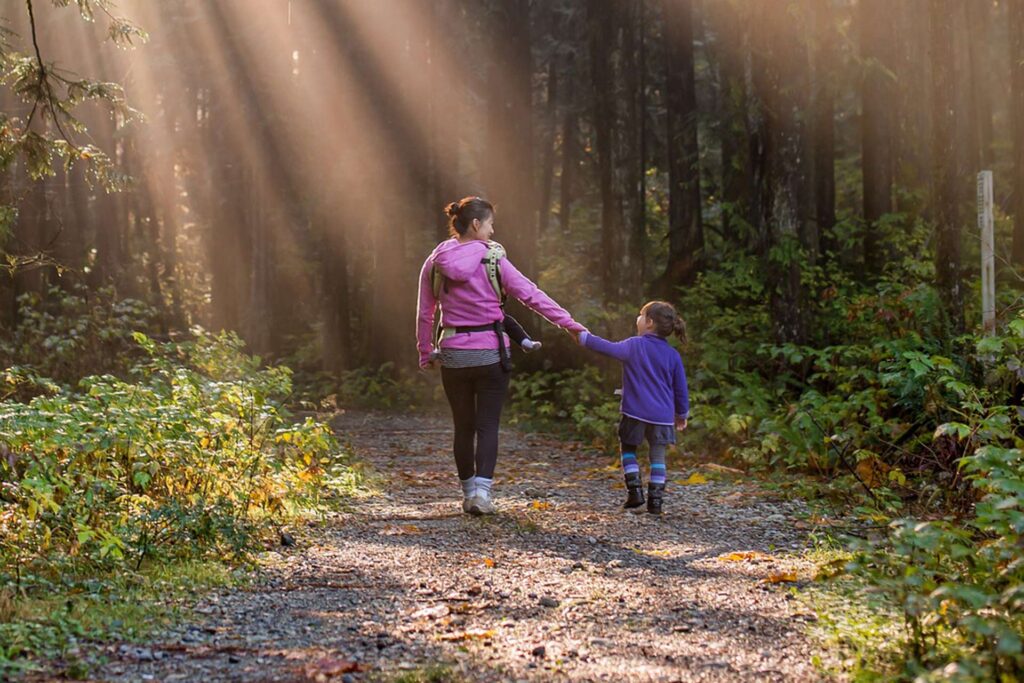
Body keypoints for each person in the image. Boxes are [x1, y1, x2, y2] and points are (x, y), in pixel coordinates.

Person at [417, 196, 586, 515]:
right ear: (477, 224)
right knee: (487, 426)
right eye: (491, 224)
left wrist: (426, 351)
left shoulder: (436, 260)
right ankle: (482, 494)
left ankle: (468, 495)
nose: (493, 231)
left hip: (453, 354)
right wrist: (570, 325)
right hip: (491, 355)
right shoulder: (493, 259)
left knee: (463, 426)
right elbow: (532, 296)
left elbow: (425, 313)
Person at [575, 301, 689, 514]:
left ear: (649, 323)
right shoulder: (673, 355)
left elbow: (607, 347)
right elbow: (681, 389)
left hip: (635, 411)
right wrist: (681, 414)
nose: (637, 318)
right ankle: (656, 501)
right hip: (663, 416)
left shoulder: (634, 345)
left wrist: (582, 337)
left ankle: (635, 492)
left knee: (628, 448)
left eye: (640, 315)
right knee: (658, 456)